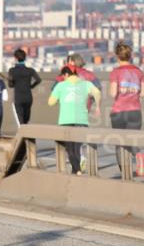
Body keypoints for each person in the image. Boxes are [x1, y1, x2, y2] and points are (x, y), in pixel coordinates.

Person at [49, 65, 101, 175]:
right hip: (82, 120)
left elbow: (50, 102)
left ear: (66, 74)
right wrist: (98, 106)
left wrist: (60, 98)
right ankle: (75, 171)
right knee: (77, 148)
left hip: (65, 120)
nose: (63, 78)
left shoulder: (61, 85)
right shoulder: (86, 84)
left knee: (70, 149)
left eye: (63, 76)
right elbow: (97, 92)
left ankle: (77, 170)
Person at [108, 42, 143, 175]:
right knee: (133, 139)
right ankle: (140, 160)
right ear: (130, 56)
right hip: (135, 111)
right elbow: (143, 93)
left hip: (119, 112)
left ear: (117, 56)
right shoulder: (139, 72)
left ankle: (124, 171)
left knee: (120, 142)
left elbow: (112, 93)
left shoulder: (116, 72)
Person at [7, 48, 41, 125]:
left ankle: (23, 135)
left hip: (18, 98)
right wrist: (31, 86)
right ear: (25, 58)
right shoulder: (30, 70)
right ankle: (27, 135)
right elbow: (39, 80)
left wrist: (12, 81)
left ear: (15, 58)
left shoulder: (12, 70)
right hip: (28, 97)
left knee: (20, 120)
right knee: (26, 120)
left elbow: (10, 85)